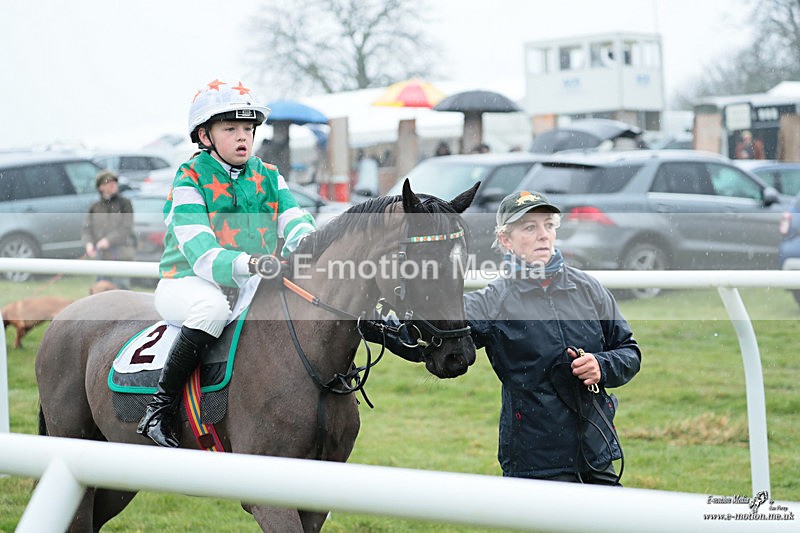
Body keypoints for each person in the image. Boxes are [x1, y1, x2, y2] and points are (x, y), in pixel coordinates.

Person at [137, 79, 317, 447]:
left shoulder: (268, 175)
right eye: (231, 128)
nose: (243, 138)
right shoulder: (188, 178)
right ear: (204, 135)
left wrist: (312, 245)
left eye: (248, 129)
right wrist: (252, 263)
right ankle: (159, 407)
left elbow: (296, 220)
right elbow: (202, 253)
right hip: (187, 283)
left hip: (250, 280)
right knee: (212, 307)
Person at [463, 191, 641, 484]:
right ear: (506, 240)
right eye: (530, 227)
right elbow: (429, 331)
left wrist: (601, 365)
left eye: (548, 225)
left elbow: (630, 353)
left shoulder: (588, 288)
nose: (543, 235)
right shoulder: (492, 301)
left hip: (595, 452)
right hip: (534, 462)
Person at [82, 169, 135, 288]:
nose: (113, 185)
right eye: (108, 182)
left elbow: (126, 228)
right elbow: (87, 229)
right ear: (100, 187)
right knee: (100, 291)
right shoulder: (94, 207)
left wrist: (108, 241)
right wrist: (89, 244)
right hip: (102, 257)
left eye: (114, 182)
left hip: (121, 255)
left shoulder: (125, 204)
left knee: (121, 290)